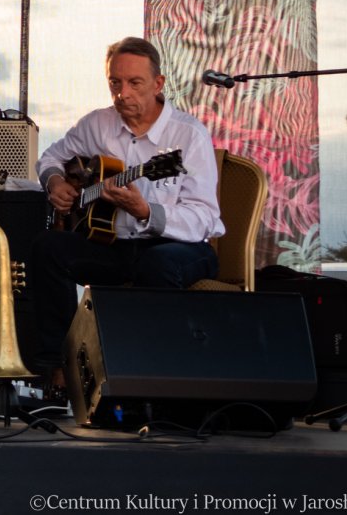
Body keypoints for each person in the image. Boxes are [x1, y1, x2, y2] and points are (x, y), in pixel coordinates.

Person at [30, 36, 223, 396]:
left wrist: (146, 211)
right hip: (115, 247)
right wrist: (55, 181)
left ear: (158, 84)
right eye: (115, 83)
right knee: (47, 249)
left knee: (158, 265)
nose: (123, 93)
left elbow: (204, 218)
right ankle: (57, 369)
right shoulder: (97, 125)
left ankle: (152, 375)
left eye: (135, 83)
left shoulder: (188, 135)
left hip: (180, 247)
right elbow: (50, 158)